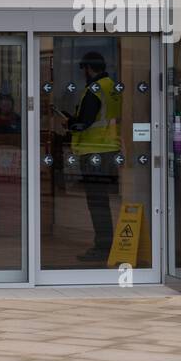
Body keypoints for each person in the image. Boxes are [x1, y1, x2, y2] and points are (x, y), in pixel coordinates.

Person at [60, 52, 121, 263]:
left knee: (97, 202)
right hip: (109, 149)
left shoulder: (94, 90)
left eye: (84, 69)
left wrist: (69, 123)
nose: (83, 73)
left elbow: (84, 122)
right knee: (102, 200)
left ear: (88, 68)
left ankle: (102, 246)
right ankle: (106, 244)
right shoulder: (111, 86)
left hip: (94, 150)